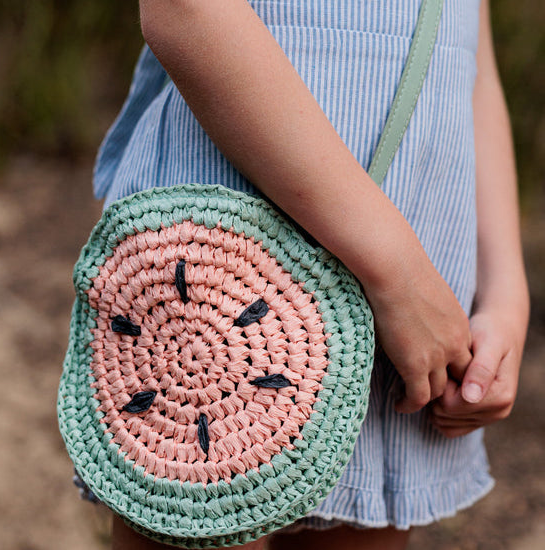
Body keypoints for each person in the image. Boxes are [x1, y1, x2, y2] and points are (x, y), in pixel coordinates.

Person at [92, 1, 530, 549]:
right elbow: (185, 9)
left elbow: (472, 63)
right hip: (223, 257)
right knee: (192, 495)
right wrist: (398, 275)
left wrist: (505, 291)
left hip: (419, 304)